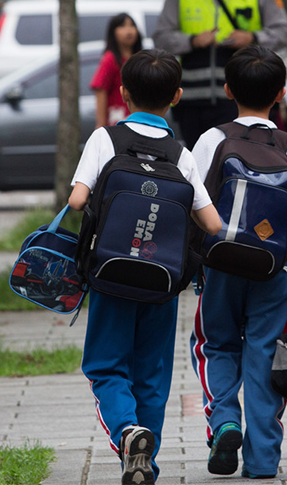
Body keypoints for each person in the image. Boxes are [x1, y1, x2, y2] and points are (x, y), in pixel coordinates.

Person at [68, 49, 222, 485]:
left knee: (106, 366)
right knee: (152, 372)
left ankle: (126, 431)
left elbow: (78, 200)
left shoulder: (105, 140)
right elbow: (210, 222)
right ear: (176, 96)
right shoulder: (180, 153)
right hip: (163, 281)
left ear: (122, 93)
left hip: (110, 276)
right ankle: (145, 460)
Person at [190, 46, 287, 480]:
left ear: (227, 90)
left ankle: (225, 420)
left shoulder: (212, 139)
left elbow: (191, 202)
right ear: (281, 93)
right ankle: (263, 459)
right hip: (276, 274)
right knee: (268, 357)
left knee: (216, 346)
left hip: (220, 268)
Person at [152, 0, 287, 147]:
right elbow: (161, 36)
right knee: (200, 168)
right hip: (192, 102)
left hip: (245, 98)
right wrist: (192, 41)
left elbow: (284, 32)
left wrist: (252, 38)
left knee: (241, 160)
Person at [91, 13, 143, 128]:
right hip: (118, 121)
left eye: (132, 25)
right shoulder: (110, 59)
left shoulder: (141, 59)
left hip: (139, 121)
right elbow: (100, 90)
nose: (128, 31)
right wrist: (101, 124)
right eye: (122, 26)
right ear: (113, 32)